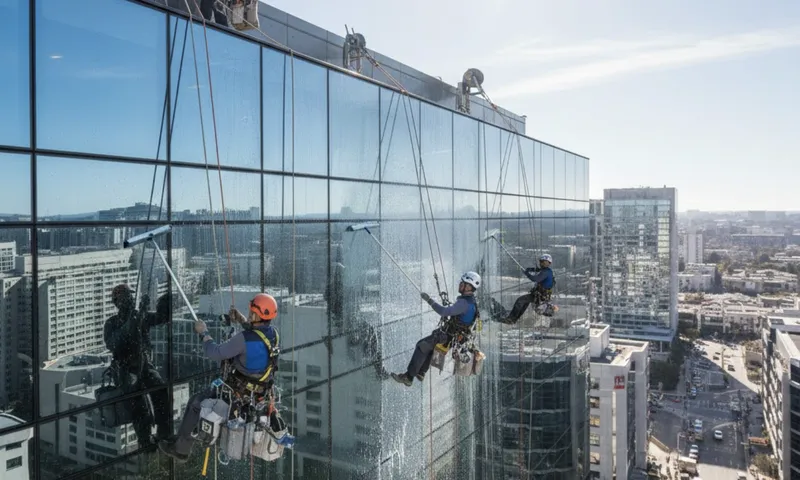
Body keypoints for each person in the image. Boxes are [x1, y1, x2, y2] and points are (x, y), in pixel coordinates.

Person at [158, 293, 292, 462]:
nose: (250, 314)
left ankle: (181, 449)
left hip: (237, 393)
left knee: (196, 403)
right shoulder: (274, 334)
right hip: (258, 394)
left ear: (258, 315)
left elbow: (214, 352)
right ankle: (182, 443)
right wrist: (243, 321)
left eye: (252, 312)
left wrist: (203, 333)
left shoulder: (243, 339)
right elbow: (258, 337)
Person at [103, 284, 171, 447]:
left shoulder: (140, 316)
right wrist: (135, 320)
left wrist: (165, 300)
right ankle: (144, 440)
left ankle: (164, 432)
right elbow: (113, 343)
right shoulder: (111, 323)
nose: (130, 299)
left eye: (130, 297)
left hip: (144, 364)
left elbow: (161, 318)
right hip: (126, 368)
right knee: (137, 403)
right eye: (126, 297)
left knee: (160, 390)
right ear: (117, 302)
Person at [391, 272, 481, 387]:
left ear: (469, 286)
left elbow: (444, 311)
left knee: (422, 345)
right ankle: (421, 372)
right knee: (429, 347)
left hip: (449, 335)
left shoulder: (463, 303)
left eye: (462, 283)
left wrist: (429, 300)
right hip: (455, 336)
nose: (460, 284)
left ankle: (408, 377)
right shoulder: (471, 301)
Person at [493, 254, 556, 324]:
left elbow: (535, 279)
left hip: (540, 296)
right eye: (541, 261)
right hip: (541, 295)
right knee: (524, 302)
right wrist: (530, 269)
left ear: (548, 262)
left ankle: (511, 319)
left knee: (520, 301)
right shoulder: (548, 270)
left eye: (543, 262)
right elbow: (538, 270)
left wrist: (527, 273)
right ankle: (513, 319)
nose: (541, 263)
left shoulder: (546, 272)